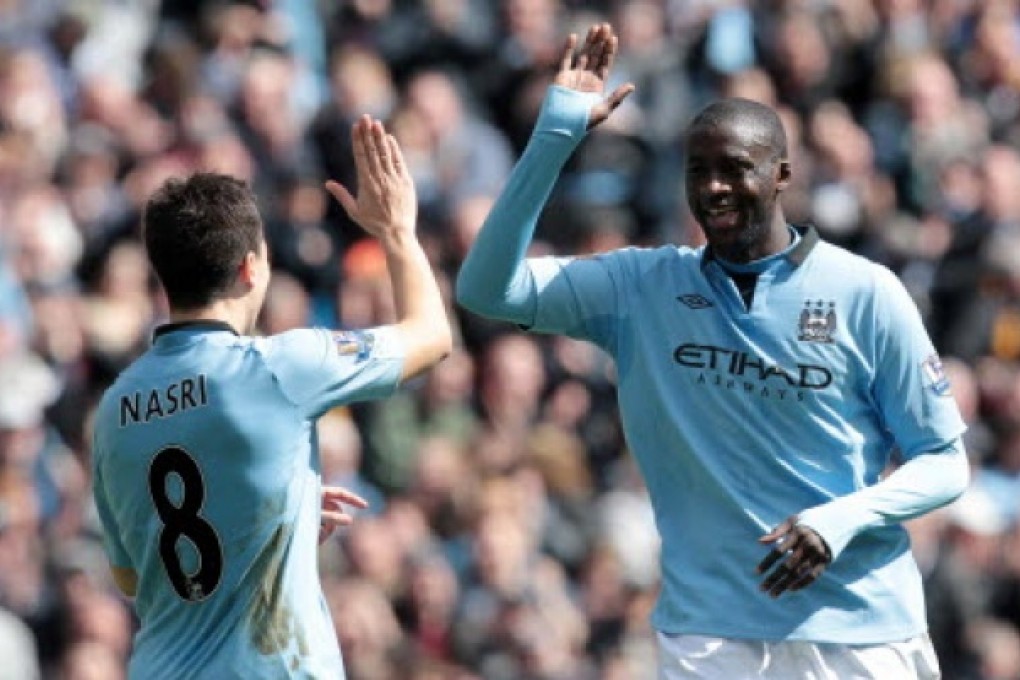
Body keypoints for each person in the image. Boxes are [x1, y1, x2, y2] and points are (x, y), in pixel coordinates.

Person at [456, 23, 970, 679]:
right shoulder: (641, 286)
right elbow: (485, 289)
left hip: (860, 632)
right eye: (699, 170)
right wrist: (556, 134)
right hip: (708, 636)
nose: (715, 187)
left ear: (781, 175)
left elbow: (945, 462)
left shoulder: (865, 292)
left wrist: (842, 520)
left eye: (736, 168)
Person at [92, 116, 452, 678]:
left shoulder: (115, 408)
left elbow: (132, 577)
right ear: (251, 268)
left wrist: (271, 517)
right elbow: (432, 336)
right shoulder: (278, 369)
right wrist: (398, 233)